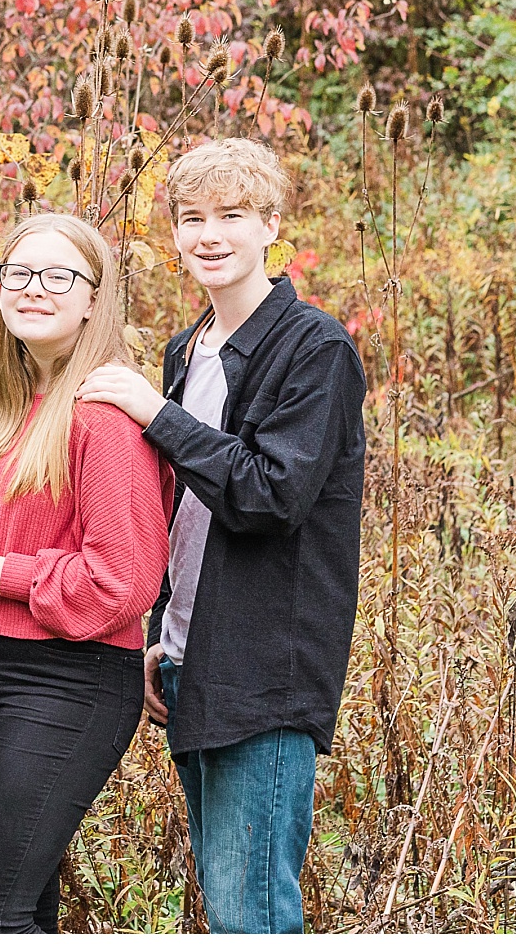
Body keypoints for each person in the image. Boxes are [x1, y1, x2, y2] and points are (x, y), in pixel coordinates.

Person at [77, 138, 367, 934]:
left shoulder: (315, 348)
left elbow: (271, 495)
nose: (209, 235)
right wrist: (160, 633)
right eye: (192, 218)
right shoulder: (187, 349)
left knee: (251, 918)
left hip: (264, 676)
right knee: (227, 910)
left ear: (271, 224)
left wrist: (154, 413)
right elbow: (183, 510)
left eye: (232, 215)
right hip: (188, 664)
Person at [0, 212, 170, 933]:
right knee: (21, 903)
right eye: (17, 273)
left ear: (94, 299)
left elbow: (122, 581)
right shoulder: (2, 404)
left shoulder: (105, 416)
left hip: (69, 677)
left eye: (58, 276)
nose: (33, 288)